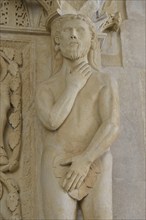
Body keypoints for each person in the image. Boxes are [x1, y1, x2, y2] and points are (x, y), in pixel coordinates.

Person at [36, 14, 119, 220]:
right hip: (58, 162)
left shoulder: (104, 81)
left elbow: (112, 125)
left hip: (95, 158)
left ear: (91, 40)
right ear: (57, 41)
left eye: (80, 30)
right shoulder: (46, 88)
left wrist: (85, 159)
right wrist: (73, 87)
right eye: (67, 30)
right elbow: (52, 121)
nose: (73, 35)